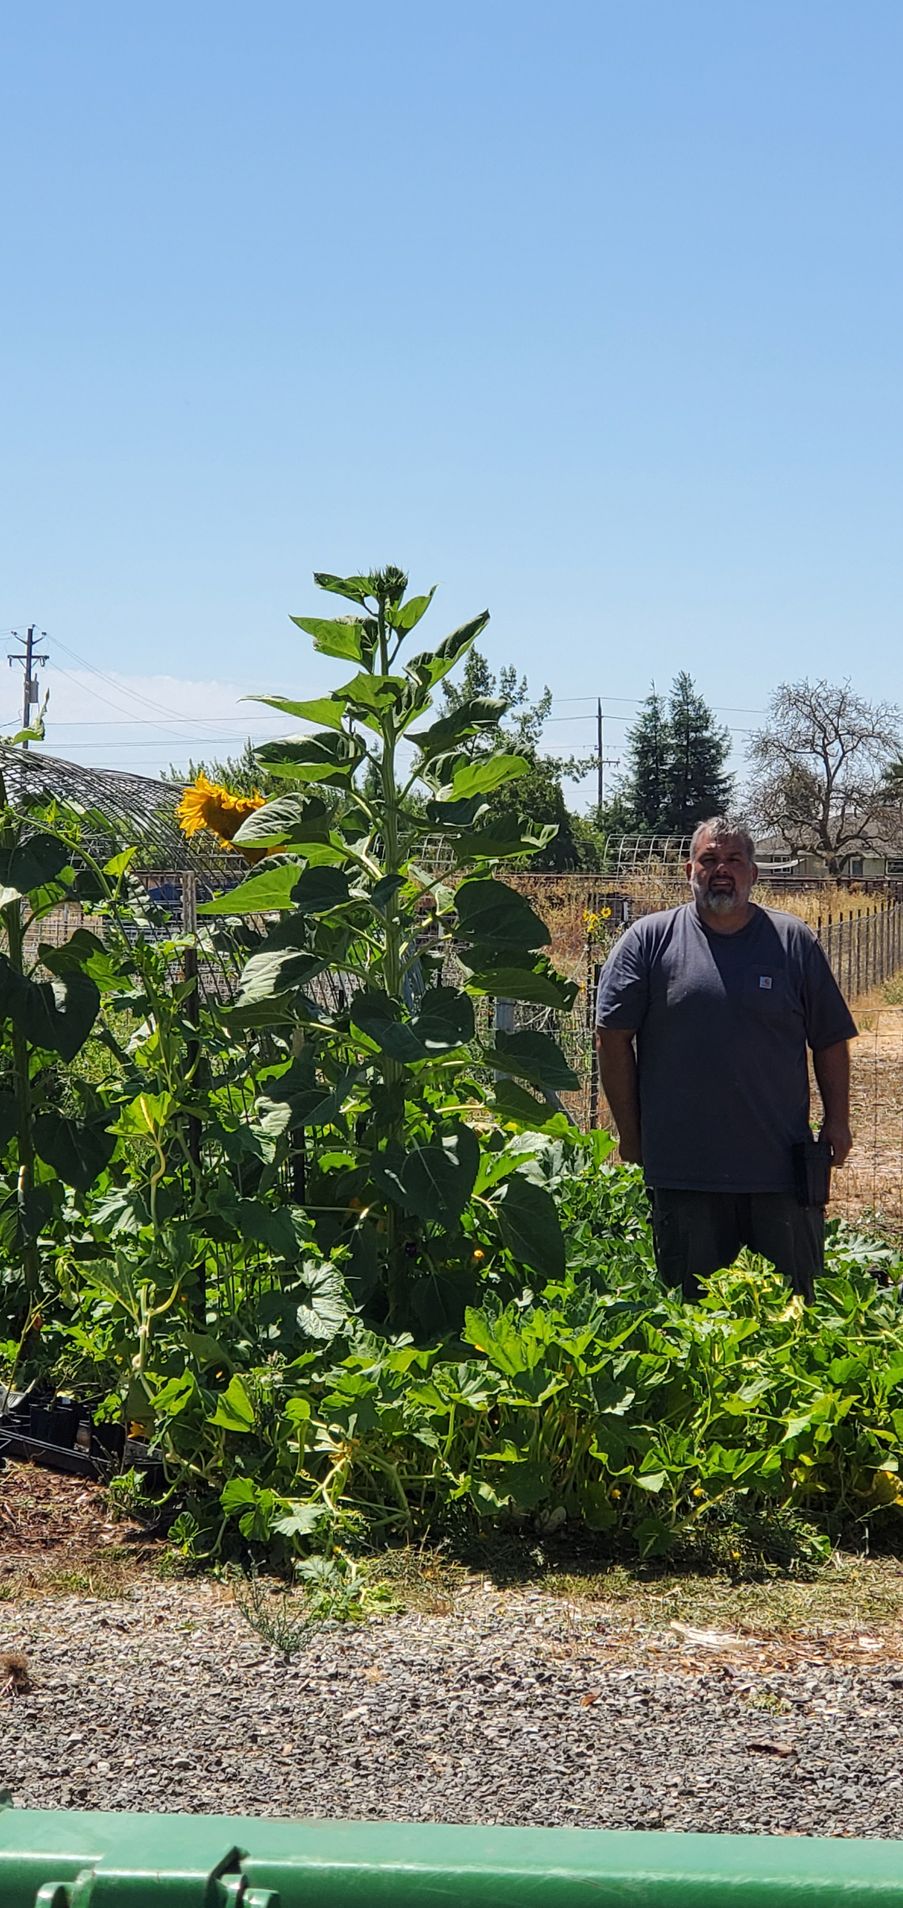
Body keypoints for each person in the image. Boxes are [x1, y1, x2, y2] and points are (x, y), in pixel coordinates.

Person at [595, 818, 857, 1301]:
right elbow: (612, 1037)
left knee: (793, 1313)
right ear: (689, 869)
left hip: (780, 1171)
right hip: (685, 1172)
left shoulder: (792, 942)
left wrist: (838, 1121)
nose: (722, 871)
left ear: (753, 873)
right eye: (709, 860)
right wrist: (632, 1136)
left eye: (734, 860)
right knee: (693, 1323)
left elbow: (830, 1039)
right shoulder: (649, 940)